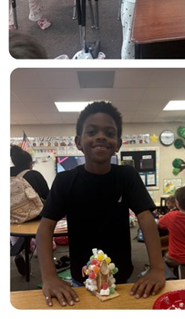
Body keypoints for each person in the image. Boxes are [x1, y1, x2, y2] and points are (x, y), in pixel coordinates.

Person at [36, 100, 165, 306]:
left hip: (122, 276)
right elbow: (45, 228)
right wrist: (49, 276)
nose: (101, 136)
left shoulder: (127, 176)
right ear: (79, 142)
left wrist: (157, 268)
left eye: (110, 133)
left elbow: (146, 218)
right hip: (82, 276)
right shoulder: (65, 181)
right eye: (92, 132)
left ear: (118, 143)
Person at [11, 145, 50, 274]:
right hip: (34, 217)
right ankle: (39, 249)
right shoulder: (34, 174)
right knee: (43, 230)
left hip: (12, 218)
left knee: (17, 236)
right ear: (29, 163)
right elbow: (47, 196)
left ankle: (18, 253)